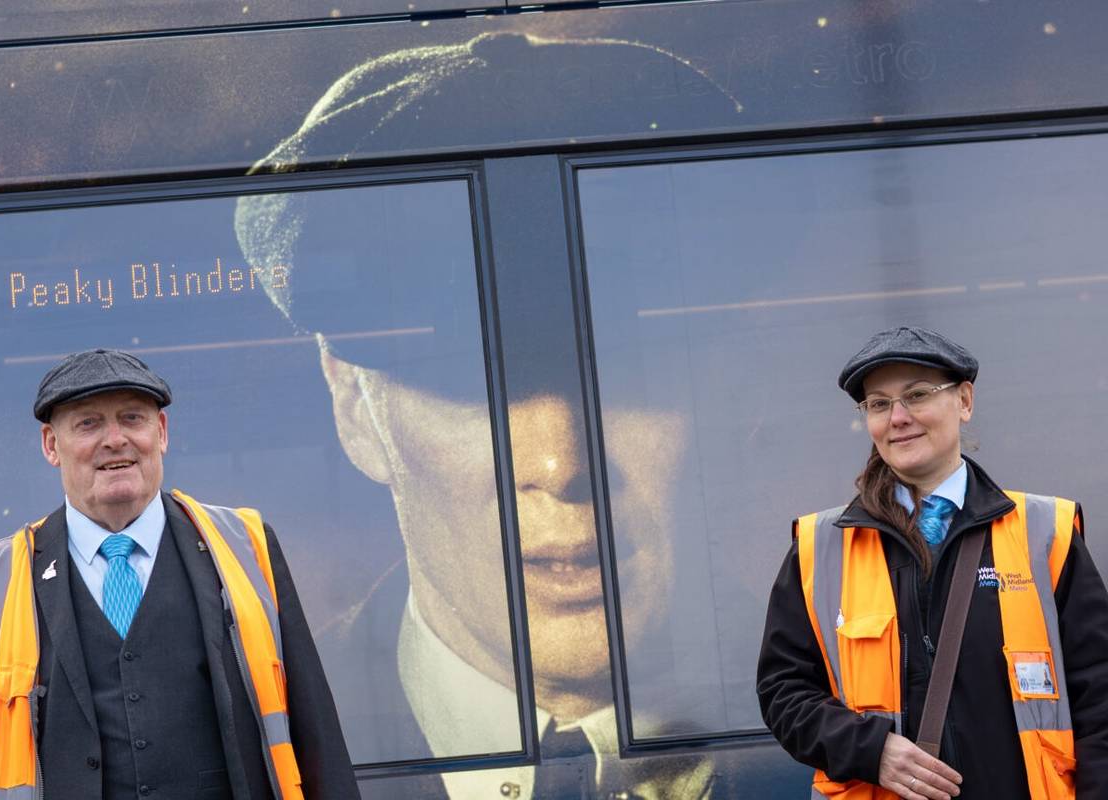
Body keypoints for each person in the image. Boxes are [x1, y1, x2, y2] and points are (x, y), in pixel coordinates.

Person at [234, 30, 737, 799]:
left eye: (619, 377)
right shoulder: (247, 748)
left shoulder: (856, 703)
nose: (559, 464)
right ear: (355, 409)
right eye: (470, 387)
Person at [0, 348, 360, 800]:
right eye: (88, 423)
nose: (115, 439)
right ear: (50, 445)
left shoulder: (247, 547)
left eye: (132, 418)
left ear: (160, 432)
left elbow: (317, 735)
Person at [756, 326, 1108, 799]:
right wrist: (870, 749)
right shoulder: (819, 547)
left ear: (964, 401)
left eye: (917, 395)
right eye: (878, 404)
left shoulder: (1047, 531)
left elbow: (1100, 698)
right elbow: (783, 692)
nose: (897, 417)